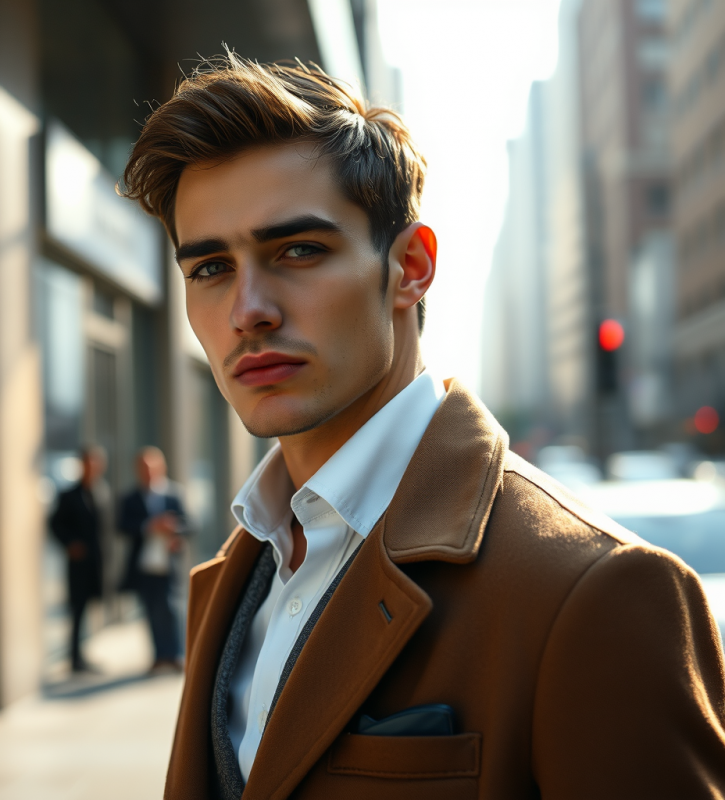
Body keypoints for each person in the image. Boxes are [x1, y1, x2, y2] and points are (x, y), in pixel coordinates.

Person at [121, 54, 725, 798]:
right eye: (210, 268)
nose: (248, 310)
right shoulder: (233, 575)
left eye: (297, 251)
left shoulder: (596, 591)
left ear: (410, 267)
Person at [118, 446, 189, 671]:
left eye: (151, 468)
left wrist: (175, 531)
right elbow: (121, 526)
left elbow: (190, 523)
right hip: (144, 565)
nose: (148, 473)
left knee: (172, 608)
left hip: (169, 562)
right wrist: (149, 526)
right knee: (150, 610)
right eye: (143, 468)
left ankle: (175, 654)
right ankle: (159, 656)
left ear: (161, 468)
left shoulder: (173, 494)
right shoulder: (130, 498)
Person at [49, 446, 107, 673]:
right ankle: (74, 658)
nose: (93, 468)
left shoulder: (102, 492)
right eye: (89, 463)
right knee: (77, 610)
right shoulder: (69, 495)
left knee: (89, 610)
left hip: (96, 563)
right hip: (78, 565)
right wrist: (70, 543)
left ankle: (83, 654)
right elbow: (54, 524)